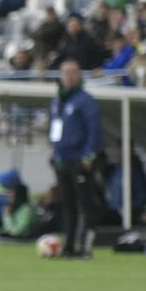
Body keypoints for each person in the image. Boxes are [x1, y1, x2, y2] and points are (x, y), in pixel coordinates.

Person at [49, 59, 102, 257]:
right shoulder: (58, 100)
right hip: (61, 160)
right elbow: (54, 128)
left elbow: (94, 131)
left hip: (79, 160)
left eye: (73, 73)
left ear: (79, 75)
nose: (69, 77)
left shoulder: (85, 100)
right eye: (66, 73)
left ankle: (85, 246)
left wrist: (88, 156)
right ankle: (69, 245)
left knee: (84, 204)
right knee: (67, 204)